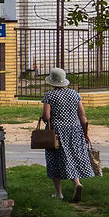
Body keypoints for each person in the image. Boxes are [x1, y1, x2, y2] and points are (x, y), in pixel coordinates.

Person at [41, 68, 94, 201]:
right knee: (72, 157)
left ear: (52, 81)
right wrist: (85, 134)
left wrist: (45, 118)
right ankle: (77, 184)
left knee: (54, 160)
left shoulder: (49, 96)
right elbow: (83, 117)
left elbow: (46, 116)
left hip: (56, 133)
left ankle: (58, 193)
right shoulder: (75, 94)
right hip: (75, 131)